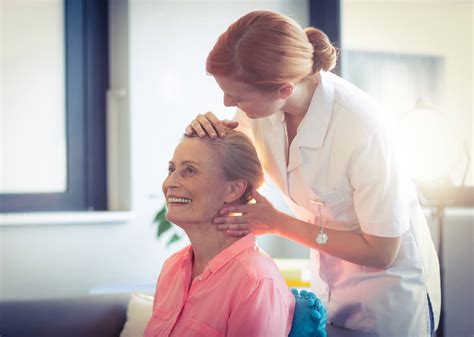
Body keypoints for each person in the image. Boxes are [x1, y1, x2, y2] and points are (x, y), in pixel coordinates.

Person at [186, 10, 441, 337]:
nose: (226, 102)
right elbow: (244, 175)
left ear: (283, 88)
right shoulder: (261, 108)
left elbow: (382, 251)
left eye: (236, 96)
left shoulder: (360, 127)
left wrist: (277, 223)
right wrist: (206, 136)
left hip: (386, 298)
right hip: (328, 279)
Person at [144, 129, 296, 337]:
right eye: (171, 170)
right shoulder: (173, 267)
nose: (169, 183)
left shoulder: (256, 282)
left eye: (189, 170)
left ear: (233, 190)